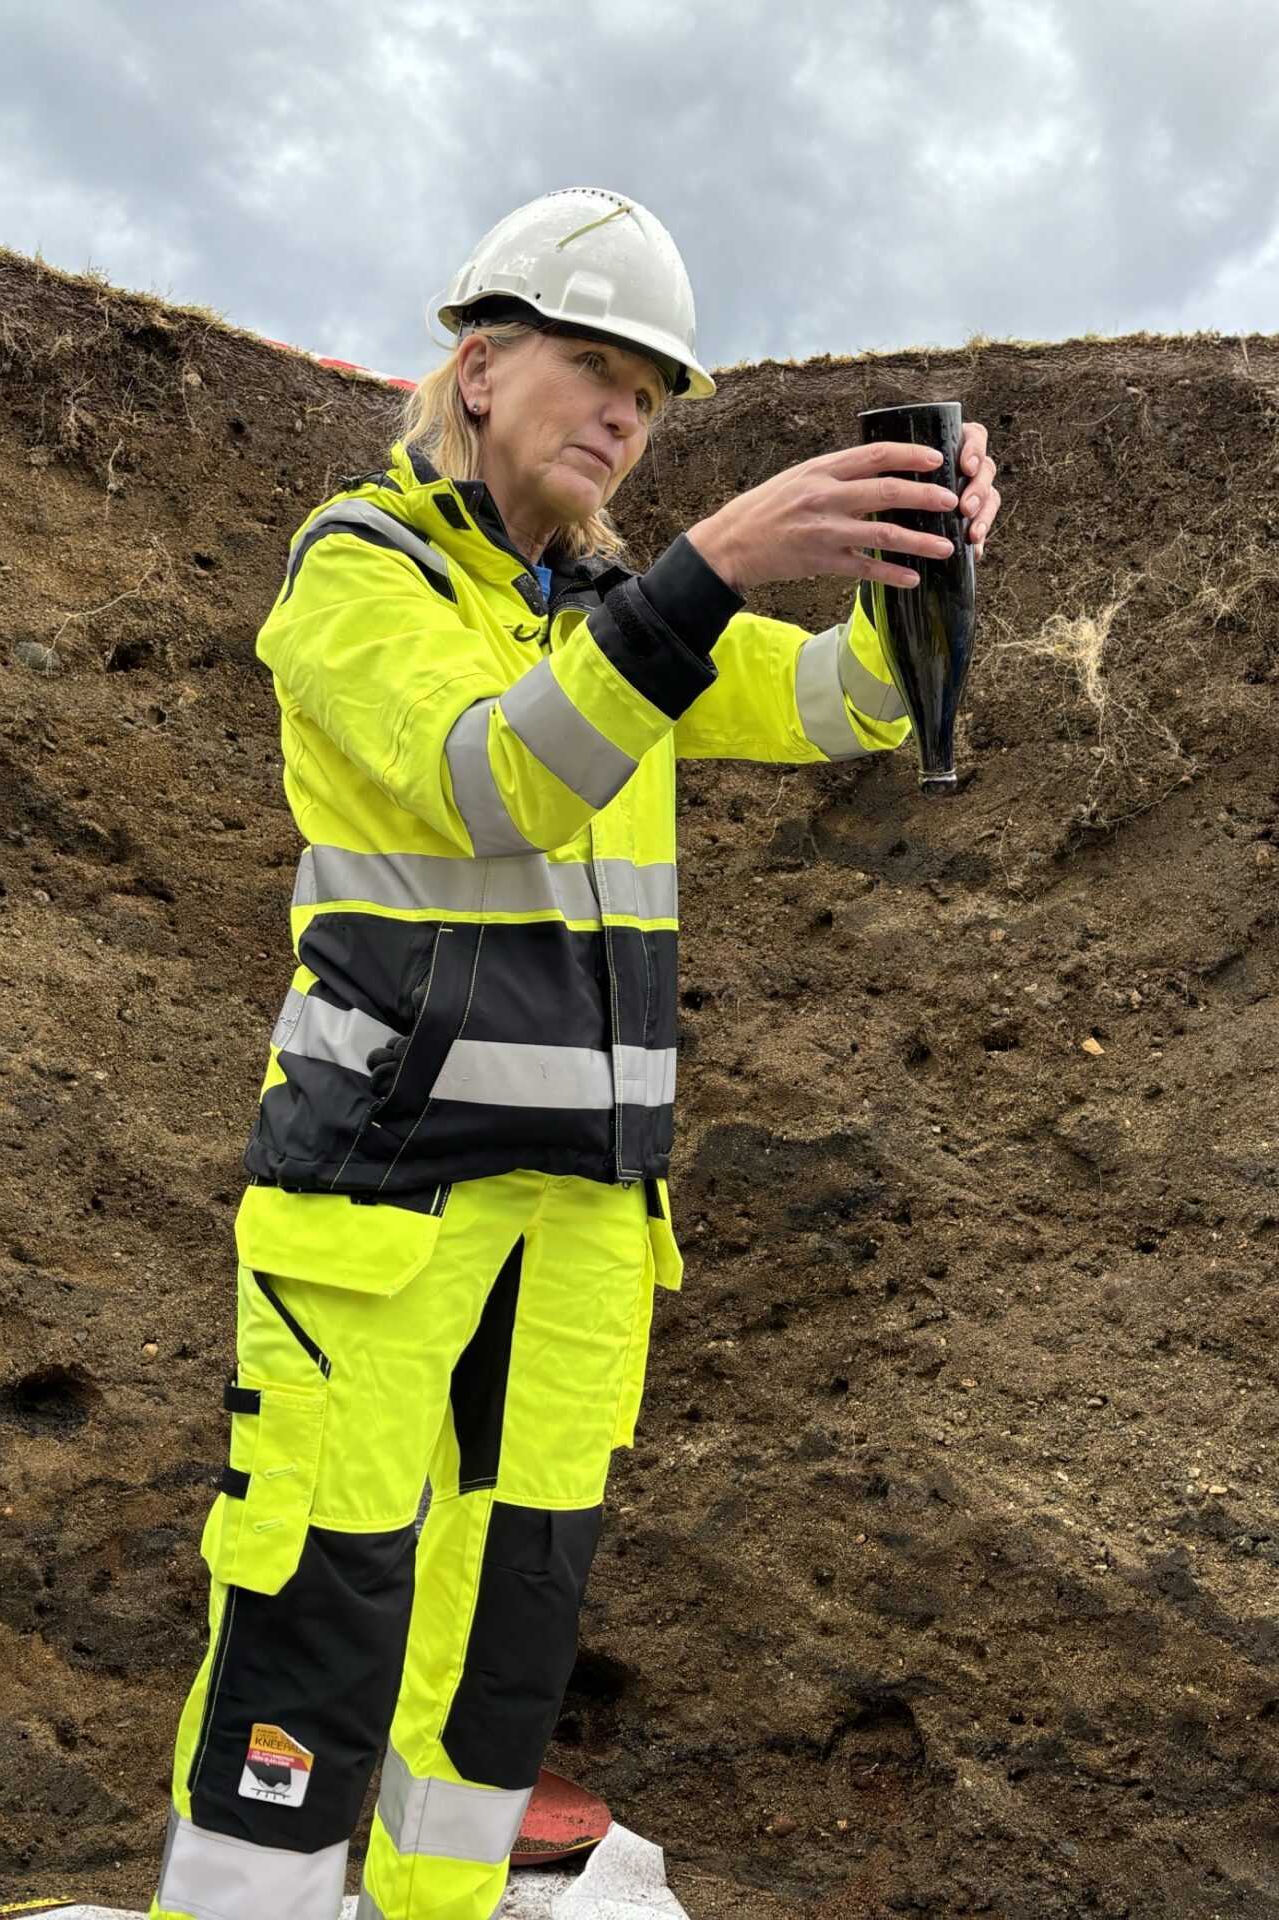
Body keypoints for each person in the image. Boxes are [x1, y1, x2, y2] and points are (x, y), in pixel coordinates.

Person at [148, 188, 1001, 1920]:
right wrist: (706, 574)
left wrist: (932, 584)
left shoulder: (612, 607)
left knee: (510, 1626)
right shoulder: (357, 574)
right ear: (477, 368)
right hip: (382, 1209)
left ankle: (436, 1906)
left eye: (652, 393)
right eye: (594, 367)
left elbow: (846, 707)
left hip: (587, 1224)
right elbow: (493, 778)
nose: (625, 415)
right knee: (322, 1601)